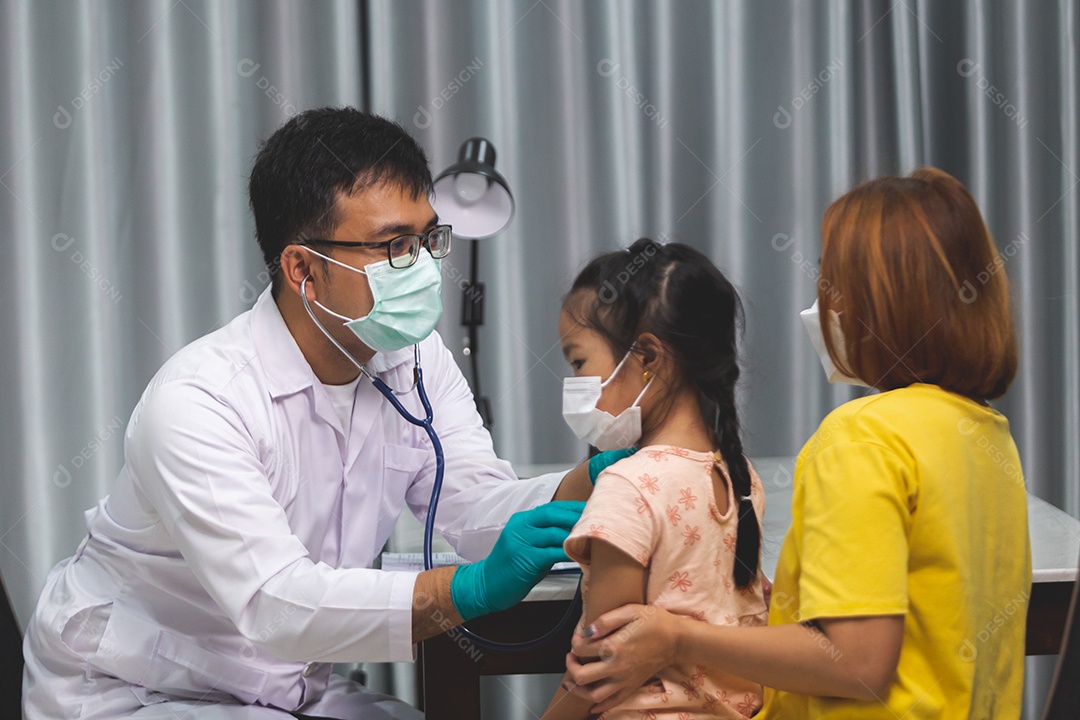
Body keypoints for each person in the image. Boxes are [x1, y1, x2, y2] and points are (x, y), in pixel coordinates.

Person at [22, 108, 615, 719]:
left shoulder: (414, 359)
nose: (425, 268)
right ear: (302, 268)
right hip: (136, 687)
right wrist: (468, 590)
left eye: (429, 239)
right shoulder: (200, 401)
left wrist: (594, 485)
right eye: (394, 247)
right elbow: (277, 602)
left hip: (279, 684)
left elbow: (470, 504)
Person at [563, 167, 1030, 719]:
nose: (820, 304)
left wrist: (677, 637)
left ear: (877, 301)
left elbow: (857, 660)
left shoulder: (865, 438)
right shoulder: (985, 435)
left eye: (831, 282)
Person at [542, 239, 769, 719]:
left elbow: (594, 670)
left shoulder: (629, 486)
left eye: (579, 361)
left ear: (646, 355)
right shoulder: (741, 476)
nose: (575, 382)